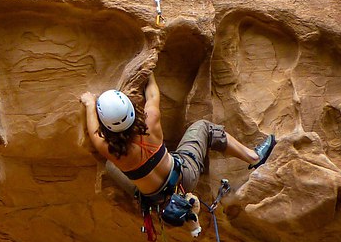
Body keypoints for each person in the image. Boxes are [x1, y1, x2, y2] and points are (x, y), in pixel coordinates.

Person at [80, 73, 276, 207]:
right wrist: (149, 70)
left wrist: (90, 103)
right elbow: (152, 93)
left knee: (110, 166)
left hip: (155, 200)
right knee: (203, 127)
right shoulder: (151, 123)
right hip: (184, 180)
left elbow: (94, 131)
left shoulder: (110, 150)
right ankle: (253, 157)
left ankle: (143, 196)